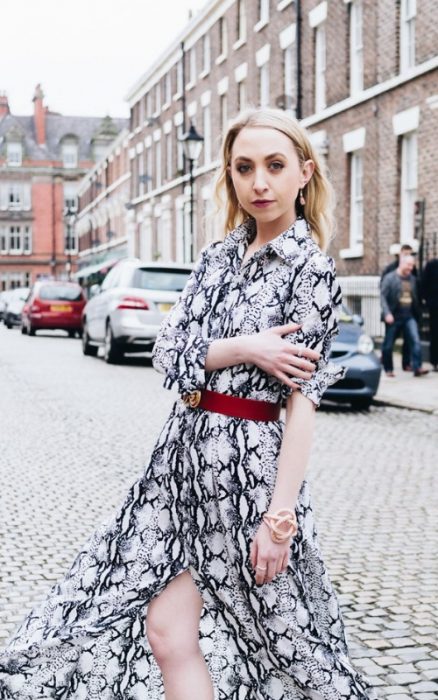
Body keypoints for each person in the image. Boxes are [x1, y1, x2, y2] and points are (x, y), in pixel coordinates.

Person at [0, 108, 373, 700]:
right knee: (167, 630)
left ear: (303, 173)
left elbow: (303, 402)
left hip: (249, 470)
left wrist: (280, 518)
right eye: (244, 168)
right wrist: (247, 346)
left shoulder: (312, 270)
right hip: (177, 463)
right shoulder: (216, 259)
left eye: (275, 167)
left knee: (290, 647)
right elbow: (168, 356)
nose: (259, 183)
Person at [381, 254, 428, 377]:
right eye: (409, 265)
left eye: (412, 265)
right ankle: (388, 369)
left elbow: (416, 297)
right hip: (393, 316)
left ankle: (417, 367)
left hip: (409, 316)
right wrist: (387, 313)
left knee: (415, 340)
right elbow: (383, 297)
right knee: (388, 344)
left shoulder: (412, 279)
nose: (411, 268)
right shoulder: (389, 278)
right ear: (402, 263)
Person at [381, 243, 416, 371]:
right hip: (392, 311)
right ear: (400, 254)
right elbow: (383, 290)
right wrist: (386, 312)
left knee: (407, 340)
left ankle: (406, 363)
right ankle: (386, 361)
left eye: (410, 254)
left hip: (407, 311)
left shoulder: (412, 269)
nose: (408, 256)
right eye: (406, 253)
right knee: (389, 340)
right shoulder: (390, 269)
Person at [422, 256, 438, 371]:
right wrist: (427, 300)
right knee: (435, 333)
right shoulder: (432, 265)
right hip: (435, 305)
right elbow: (424, 283)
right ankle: (435, 361)